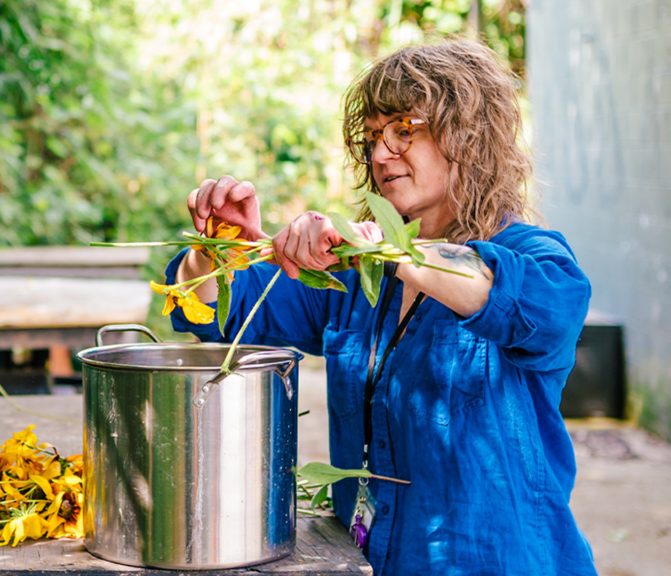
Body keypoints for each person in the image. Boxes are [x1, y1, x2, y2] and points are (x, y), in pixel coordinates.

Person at [165, 40, 598, 574]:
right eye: (371, 137)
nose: (379, 154)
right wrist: (217, 249)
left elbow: (528, 303)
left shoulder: (535, 259)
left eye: (403, 130)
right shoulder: (357, 279)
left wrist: (383, 247)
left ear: (468, 135)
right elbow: (213, 312)